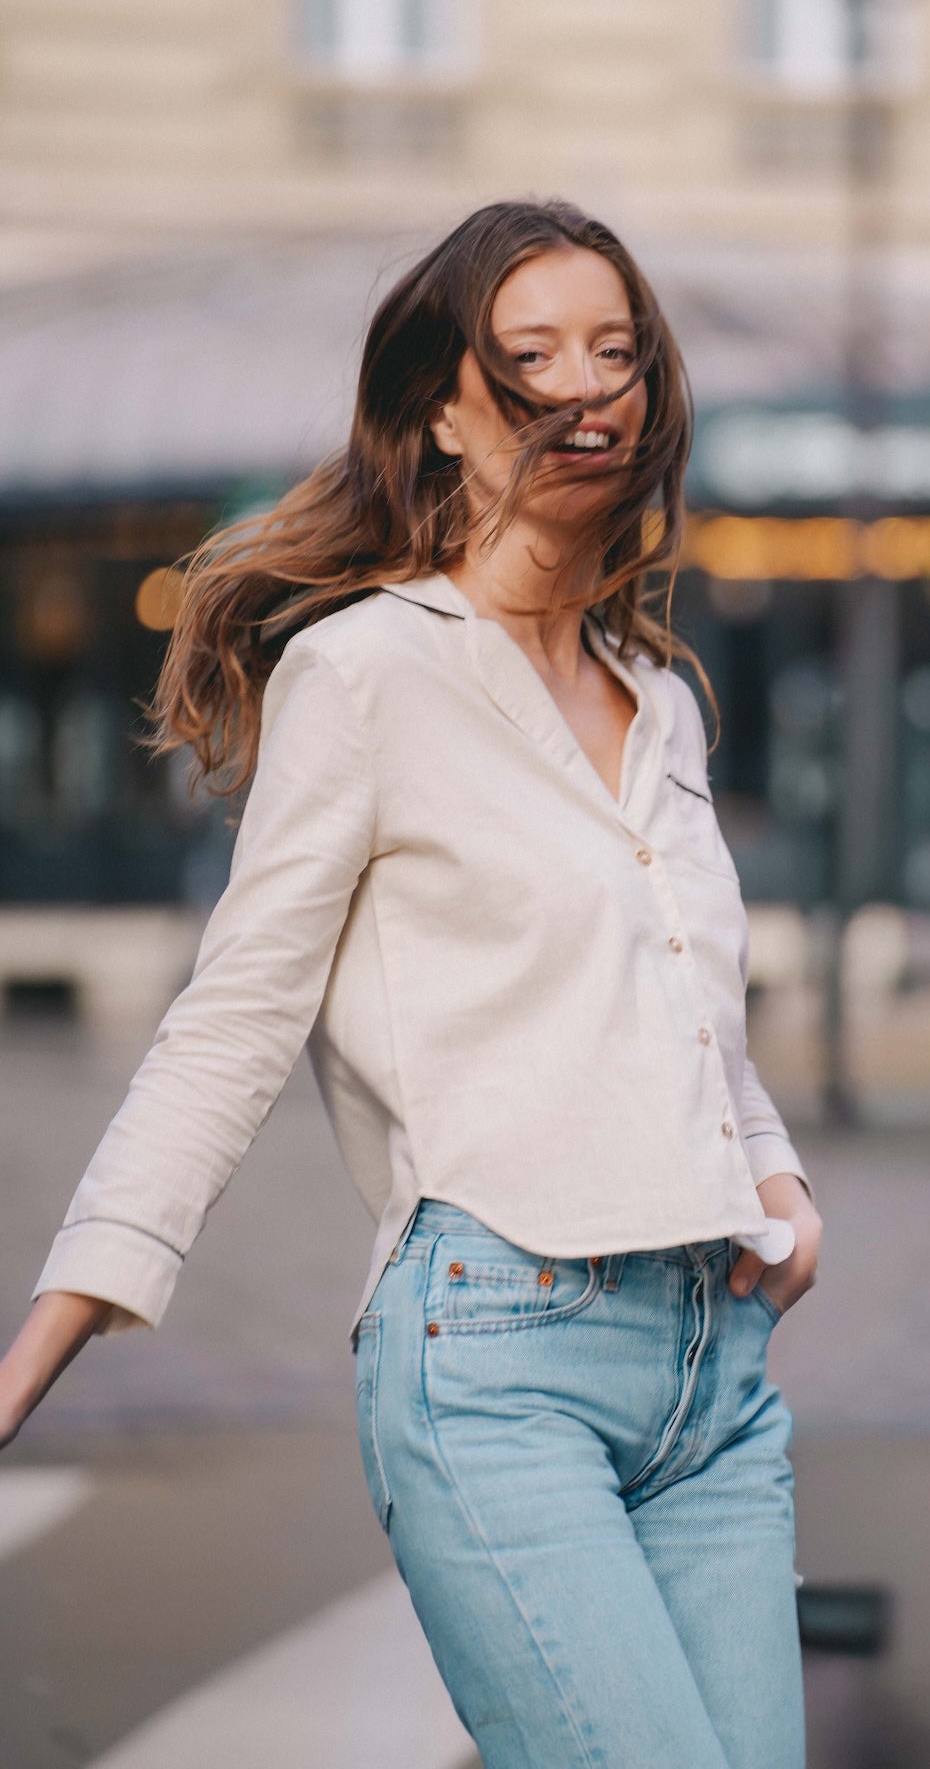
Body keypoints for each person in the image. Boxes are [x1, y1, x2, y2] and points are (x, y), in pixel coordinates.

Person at [0, 199, 822, 1768]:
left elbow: (681, 994)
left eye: (617, 351)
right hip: (497, 1357)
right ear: (445, 409)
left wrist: (775, 1174)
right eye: (530, 358)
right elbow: (237, 1015)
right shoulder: (367, 672)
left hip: (717, 1372)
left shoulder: (662, 704)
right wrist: (62, 1317)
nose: (588, 388)